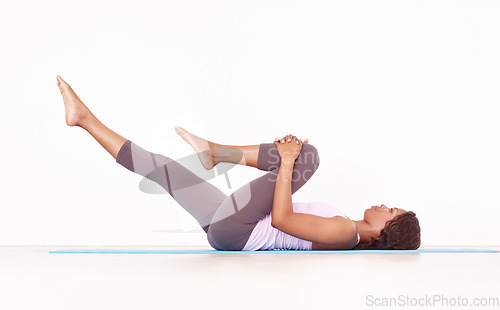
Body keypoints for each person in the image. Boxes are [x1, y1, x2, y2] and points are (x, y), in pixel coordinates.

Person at [56, 75, 421, 251]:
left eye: (390, 210)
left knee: (307, 157)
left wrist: (289, 159)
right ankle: (85, 119)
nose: (382, 205)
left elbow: (282, 220)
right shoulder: (345, 226)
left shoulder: (347, 233)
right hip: (229, 227)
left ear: (390, 230)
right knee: (163, 168)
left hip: (239, 230)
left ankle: (216, 152)